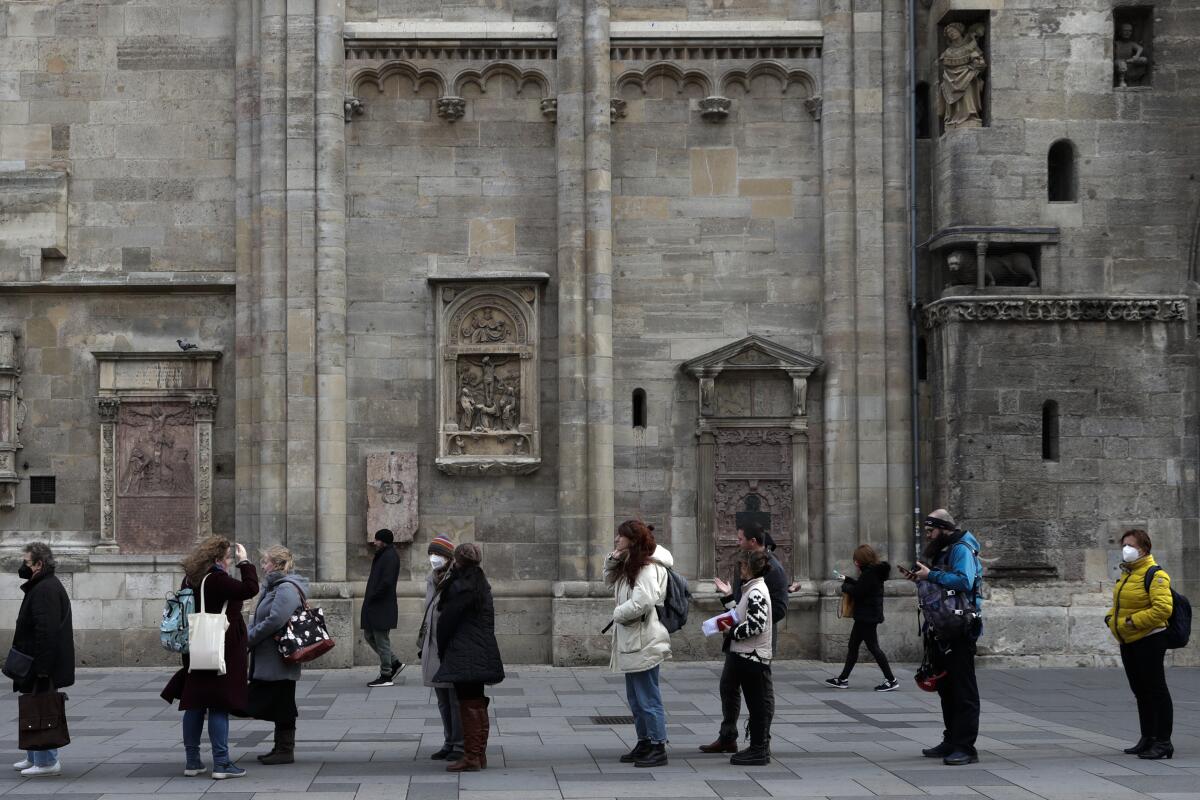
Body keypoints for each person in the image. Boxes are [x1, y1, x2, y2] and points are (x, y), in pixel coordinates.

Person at [161, 536, 259, 780]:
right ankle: (221, 763)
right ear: (217, 559)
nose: (229, 562)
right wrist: (245, 562)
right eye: (228, 558)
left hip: (196, 646)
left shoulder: (191, 578)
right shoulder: (217, 579)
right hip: (220, 647)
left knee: (195, 702)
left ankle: (192, 761)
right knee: (219, 704)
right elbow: (250, 588)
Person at [905, 509, 983, 766]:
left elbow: (965, 581)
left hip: (960, 626)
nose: (928, 535)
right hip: (941, 626)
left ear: (944, 528)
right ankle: (951, 739)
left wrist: (931, 575)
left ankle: (965, 747)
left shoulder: (961, 548)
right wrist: (922, 578)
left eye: (931, 530)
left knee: (963, 689)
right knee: (946, 689)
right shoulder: (943, 549)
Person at [701, 522, 786, 755]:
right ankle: (728, 736)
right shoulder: (747, 566)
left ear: (753, 541)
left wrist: (739, 628)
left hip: (755, 645)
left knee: (760, 696)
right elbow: (741, 605)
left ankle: (761, 742)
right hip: (740, 643)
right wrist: (730, 598)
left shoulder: (772, 571)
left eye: (740, 538)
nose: (737, 541)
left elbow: (773, 610)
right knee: (729, 687)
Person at [605, 520, 673, 768]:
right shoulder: (630, 565)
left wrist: (617, 614)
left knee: (648, 697)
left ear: (632, 540)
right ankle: (644, 741)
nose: (616, 539)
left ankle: (658, 745)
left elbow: (642, 602)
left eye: (620, 536)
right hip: (634, 639)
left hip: (645, 639)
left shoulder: (646, 568)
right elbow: (609, 583)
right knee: (636, 698)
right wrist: (613, 560)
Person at [432, 543, 505, 772]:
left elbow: (446, 620)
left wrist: (443, 648)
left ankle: (472, 757)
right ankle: (478, 754)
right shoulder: (481, 583)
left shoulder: (459, 585)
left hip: (463, 650)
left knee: (468, 701)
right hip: (481, 648)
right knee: (477, 700)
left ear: (458, 561)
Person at [1106, 529, 1174, 760]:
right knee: (1141, 691)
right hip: (1128, 639)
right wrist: (1110, 618)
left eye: (1131, 545)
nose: (1126, 549)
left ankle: (1163, 742)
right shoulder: (1127, 574)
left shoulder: (1156, 575)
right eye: (1124, 544)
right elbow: (1120, 604)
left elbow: (1163, 609)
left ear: (1144, 548)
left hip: (1150, 639)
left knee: (1156, 690)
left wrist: (1131, 622)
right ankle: (1148, 738)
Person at [10, 542, 74, 778]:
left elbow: (46, 632)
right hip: (35, 660)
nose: (22, 566)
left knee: (42, 708)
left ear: (39, 564)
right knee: (33, 707)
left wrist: (43, 668)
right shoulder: (41, 585)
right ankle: (34, 755)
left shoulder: (46, 589)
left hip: (41, 663)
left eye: (26, 562)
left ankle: (47, 760)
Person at [245, 546, 307, 766]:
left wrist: (250, 637)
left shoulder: (285, 589)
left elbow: (275, 620)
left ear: (278, 564)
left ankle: (284, 749)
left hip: (279, 658)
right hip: (272, 658)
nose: (263, 566)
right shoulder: (273, 587)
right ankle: (282, 748)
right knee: (282, 703)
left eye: (266, 562)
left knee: (273, 702)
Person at [723, 549, 774, 766]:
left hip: (752, 657)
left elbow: (756, 625)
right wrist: (727, 598)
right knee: (755, 705)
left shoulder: (756, 591)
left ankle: (759, 750)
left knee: (757, 706)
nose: (740, 570)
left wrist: (731, 631)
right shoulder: (751, 589)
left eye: (742, 566)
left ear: (751, 567)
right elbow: (741, 615)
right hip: (747, 656)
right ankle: (756, 748)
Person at [824, 544, 899, 692]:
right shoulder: (872, 572)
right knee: (853, 646)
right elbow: (862, 586)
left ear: (861, 560)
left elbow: (859, 592)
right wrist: (847, 579)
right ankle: (843, 679)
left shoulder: (870, 574)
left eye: (856, 559)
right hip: (866, 615)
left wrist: (845, 587)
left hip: (867, 616)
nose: (855, 562)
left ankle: (891, 680)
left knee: (873, 647)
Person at [420, 535, 463, 762]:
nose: (433, 558)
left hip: (451, 647)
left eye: (437, 554)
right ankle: (448, 741)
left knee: (455, 698)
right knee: (442, 698)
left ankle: (459, 743)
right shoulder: (433, 579)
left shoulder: (456, 579)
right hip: (434, 645)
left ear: (449, 557)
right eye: (431, 554)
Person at [362, 529, 403, 687]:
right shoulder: (384, 555)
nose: (375, 542)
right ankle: (394, 663)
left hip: (381, 605)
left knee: (381, 639)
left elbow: (386, 582)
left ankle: (386, 674)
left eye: (377, 540)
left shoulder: (390, 556)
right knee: (369, 635)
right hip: (376, 605)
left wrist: (374, 596)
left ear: (384, 541)